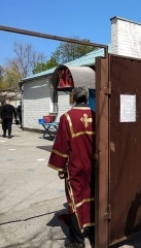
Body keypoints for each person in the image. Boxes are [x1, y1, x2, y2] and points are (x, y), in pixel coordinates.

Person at [48, 87, 95, 248]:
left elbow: (62, 146)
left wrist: (61, 168)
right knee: (92, 197)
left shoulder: (67, 118)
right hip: (94, 167)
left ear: (73, 97)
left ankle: (77, 240)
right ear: (87, 98)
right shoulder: (96, 116)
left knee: (76, 201)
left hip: (76, 168)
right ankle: (92, 230)